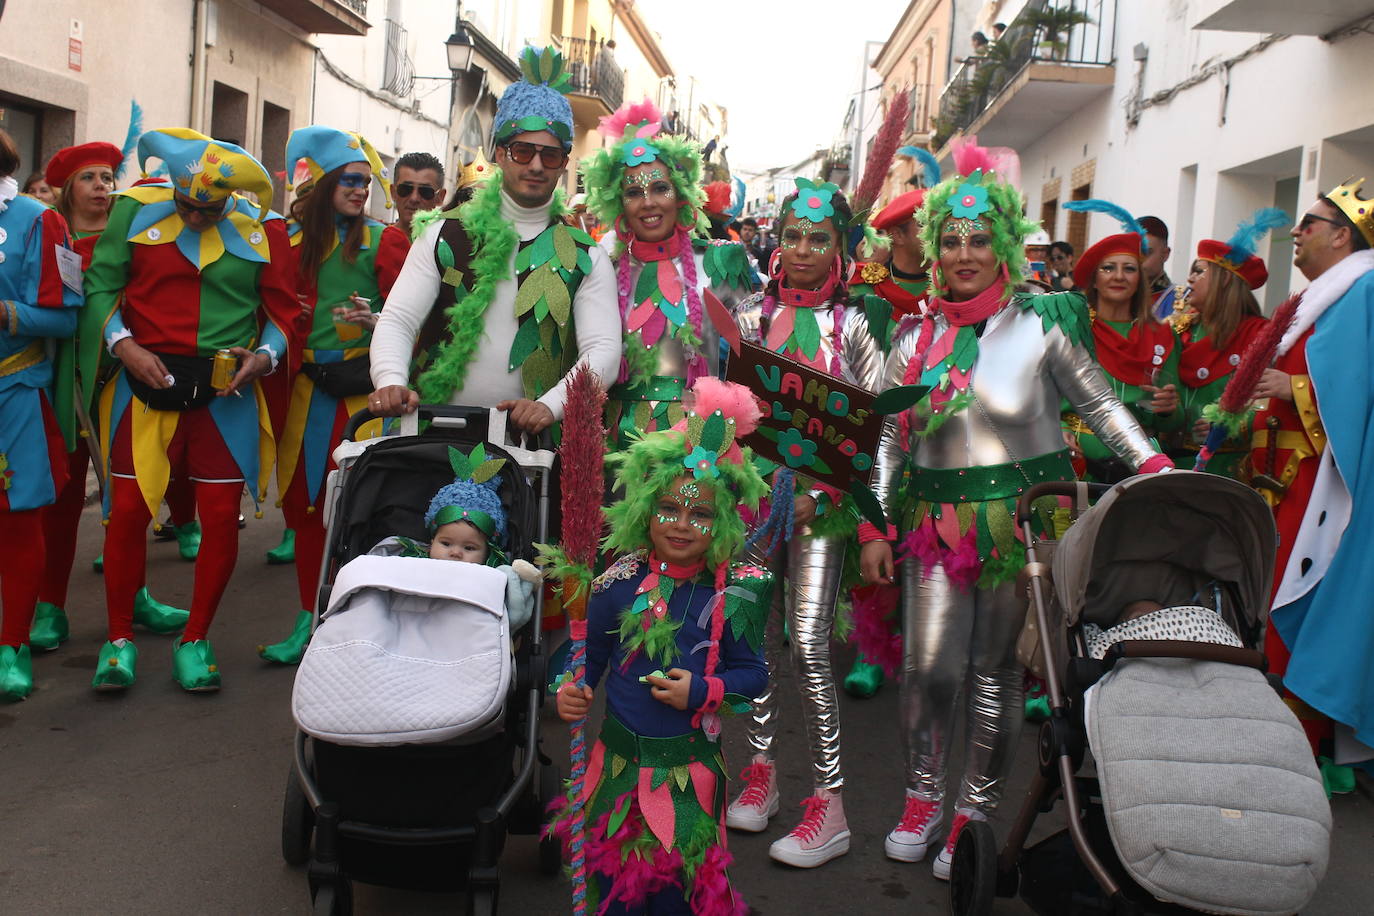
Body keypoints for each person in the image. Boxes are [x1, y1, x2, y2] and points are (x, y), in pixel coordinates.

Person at [857, 140, 1171, 878]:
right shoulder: (913, 337)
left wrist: (1155, 467)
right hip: (932, 529)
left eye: (978, 239)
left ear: (1001, 245)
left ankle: (974, 810)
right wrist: (873, 523)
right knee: (927, 671)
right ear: (935, 250)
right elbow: (886, 438)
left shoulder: (1041, 326)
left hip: (1019, 527)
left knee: (994, 672)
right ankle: (921, 797)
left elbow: (1101, 406)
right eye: (951, 241)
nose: (964, 254)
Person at [81, 128, 297, 692]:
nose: (196, 216)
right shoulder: (134, 210)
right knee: (128, 513)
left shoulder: (266, 228)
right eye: (186, 205)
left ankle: (196, 638)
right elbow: (100, 288)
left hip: (225, 397)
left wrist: (264, 357)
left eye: (210, 208)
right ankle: (118, 639)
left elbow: (283, 314)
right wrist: (125, 347)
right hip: (142, 388)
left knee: (220, 517)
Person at [550, 377, 772, 915]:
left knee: (676, 900)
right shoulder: (616, 583)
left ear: (722, 521)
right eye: (669, 509)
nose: (682, 525)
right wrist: (569, 688)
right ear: (646, 509)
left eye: (701, 515)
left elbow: (754, 676)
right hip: (615, 773)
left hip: (688, 778)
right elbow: (584, 658)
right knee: (617, 899)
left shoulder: (734, 595)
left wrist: (703, 690)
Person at [725, 179, 885, 868]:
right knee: (754, 641)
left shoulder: (856, 327)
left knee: (810, 649)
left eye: (819, 238)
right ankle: (760, 775)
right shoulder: (751, 316)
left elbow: (880, 430)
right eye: (792, 235)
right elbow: (731, 409)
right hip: (755, 507)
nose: (803, 249)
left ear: (840, 247)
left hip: (827, 507)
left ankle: (830, 804)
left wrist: (861, 518)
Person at [368, 46, 621, 435]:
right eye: (523, 151)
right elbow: (399, 319)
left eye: (550, 156)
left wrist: (550, 406)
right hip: (432, 437)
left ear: (563, 165)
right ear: (500, 154)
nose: (536, 165)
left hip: (533, 449)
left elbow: (603, 349)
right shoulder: (443, 233)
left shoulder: (586, 254)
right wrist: (389, 378)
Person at [258, 126, 408, 665]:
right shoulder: (282, 239)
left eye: (365, 182)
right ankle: (308, 617)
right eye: (349, 180)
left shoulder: (385, 242)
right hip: (305, 394)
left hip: (364, 401)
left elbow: (413, 319)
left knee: (364, 511)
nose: (361, 190)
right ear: (321, 184)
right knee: (305, 510)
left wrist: (378, 327)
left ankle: (360, 624)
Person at [1249, 179, 1374, 775]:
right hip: (1285, 483)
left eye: (1309, 223)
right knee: (1275, 603)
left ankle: (1300, 755)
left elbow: (1360, 390)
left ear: (1342, 236)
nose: (1296, 232)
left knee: (1303, 604)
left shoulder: (1364, 289)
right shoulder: (1325, 295)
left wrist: (1295, 387)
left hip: (1324, 488)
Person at [580, 99, 755, 448]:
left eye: (660, 188)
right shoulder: (602, 268)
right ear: (619, 204)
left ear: (680, 194)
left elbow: (751, 365)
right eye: (634, 192)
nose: (648, 202)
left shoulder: (721, 263)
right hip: (615, 446)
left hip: (698, 446)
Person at [0, 129, 83, 700]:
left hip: (13, 392)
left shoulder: (40, 221)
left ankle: (13, 645)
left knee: (18, 520)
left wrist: (6, 313)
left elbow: (66, 316)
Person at [1060, 199, 1182, 482]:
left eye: (1129, 268)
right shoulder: (1072, 330)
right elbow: (1042, 397)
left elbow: (1174, 421)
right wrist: (1058, 430)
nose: (1118, 276)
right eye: (1108, 268)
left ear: (1140, 278)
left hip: (1140, 468)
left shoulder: (1164, 336)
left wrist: (1169, 410)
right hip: (1075, 465)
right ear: (1094, 279)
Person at [1175, 209, 1284, 478]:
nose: (1190, 279)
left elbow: (1269, 401)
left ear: (1224, 280)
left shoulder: (1260, 335)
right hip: (1172, 462)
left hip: (1230, 469)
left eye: (1200, 272)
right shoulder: (1180, 330)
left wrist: (1227, 426)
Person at [389, 150, 446, 239]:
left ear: (440, 197)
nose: (414, 198)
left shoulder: (448, 245)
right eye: (405, 189)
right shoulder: (375, 241)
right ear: (393, 192)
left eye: (425, 191)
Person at [1139, 214, 1179, 319]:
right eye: (1132, 253)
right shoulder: (1115, 297)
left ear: (1165, 254)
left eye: (1146, 253)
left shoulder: (1180, 302)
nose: (1138, 260)